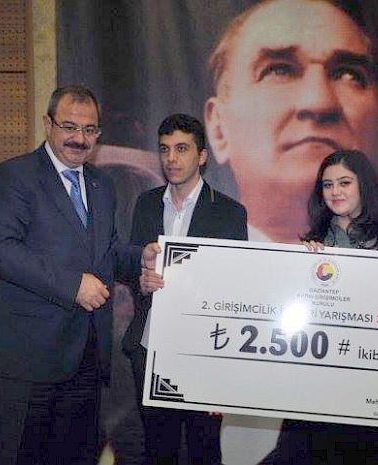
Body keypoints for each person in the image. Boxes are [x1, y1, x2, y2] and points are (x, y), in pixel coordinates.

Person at [0, 85, 159, 465]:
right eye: (70, 126)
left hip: (85, 361)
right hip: (26, 362)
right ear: (48, 124)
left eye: (90, 130)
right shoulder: (13, 176)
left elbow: (106, 251)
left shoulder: (101, 185)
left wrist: (139, 259)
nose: (80, 138)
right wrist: (72, 285)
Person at [205, 0, 378, 249]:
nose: (318, 102)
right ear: (219, 129)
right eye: (278, 70)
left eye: (349, 74)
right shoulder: (203, 248)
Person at [270, 149, 378, 464]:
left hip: (377, 373)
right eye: (328, 185)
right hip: (320, 381)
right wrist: (303, 265)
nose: (335, 192)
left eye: (344, 183)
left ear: (364, 185)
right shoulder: (315, 241)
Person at [121, 113, 248, 464]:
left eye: (181, 149)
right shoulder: (146, 204)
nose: (171, 158)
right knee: (157, 451)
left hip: (201, 354)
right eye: (164, 149)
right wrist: (141, 280)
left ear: (202, 156)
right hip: (150, 349)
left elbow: (236, 289)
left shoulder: (229, 213)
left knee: (204, 451)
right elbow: (132, 264)